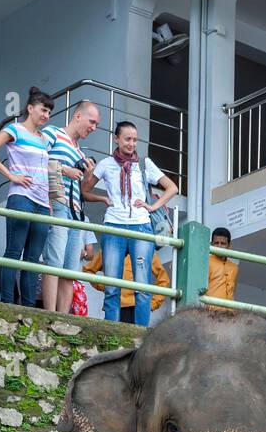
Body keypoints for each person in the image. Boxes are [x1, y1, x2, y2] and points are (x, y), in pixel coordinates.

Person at [82, 121, 177, 328]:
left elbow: (172, 188)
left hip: (141, 226)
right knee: (113, 285)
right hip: (114, 226)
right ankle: (111, 332)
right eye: (127, 139)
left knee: (142, 287)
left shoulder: (144, 164)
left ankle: (140, 333)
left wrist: (153, 207)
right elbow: (85, 190)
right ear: (117, 139)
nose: (132, 143)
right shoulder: (107, 164)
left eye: (134, 139)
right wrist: (103, 199)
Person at [0, 87, 53, 307]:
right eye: (43, 110)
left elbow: (46, 171)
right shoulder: (16, 130)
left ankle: (29, 308)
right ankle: (7, 303)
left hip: (41, 203)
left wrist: (49, 201)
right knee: (14, 251)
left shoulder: (44, 139)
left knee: (32, 261)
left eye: (49, 112)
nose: (46, 116)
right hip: (21, 197)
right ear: (30, 108)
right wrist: (11, 175)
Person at [40, 100, 100, 315]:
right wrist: (65, 169)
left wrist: (89, 175)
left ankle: (64, 318)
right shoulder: (53, 133)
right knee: (54, 262)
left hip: (77, 211)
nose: (93, 128)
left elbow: (82, 188)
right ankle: (49, 314)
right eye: (92, 122)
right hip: (56, 202)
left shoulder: (80, 151)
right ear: (77, 116)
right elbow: (36, 159)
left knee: (70, 270)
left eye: (96, 124)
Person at [82, 243, 170, 323]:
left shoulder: (146, 251)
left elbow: (164, 280)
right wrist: (106, 286)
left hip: (137, 306)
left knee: (135, 338)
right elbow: (88, 270)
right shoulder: (109, 248)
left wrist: (153, 304)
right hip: (113, 304)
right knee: (112, 336)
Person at [208, 227, 239, 304]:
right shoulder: (206, 262)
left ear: (229, 245)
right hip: (209, 312)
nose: (219, 246)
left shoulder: (234, 267)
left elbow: (232, 291)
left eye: (223, 243)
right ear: (211, 244)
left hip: (229, 313)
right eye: (216, 243)